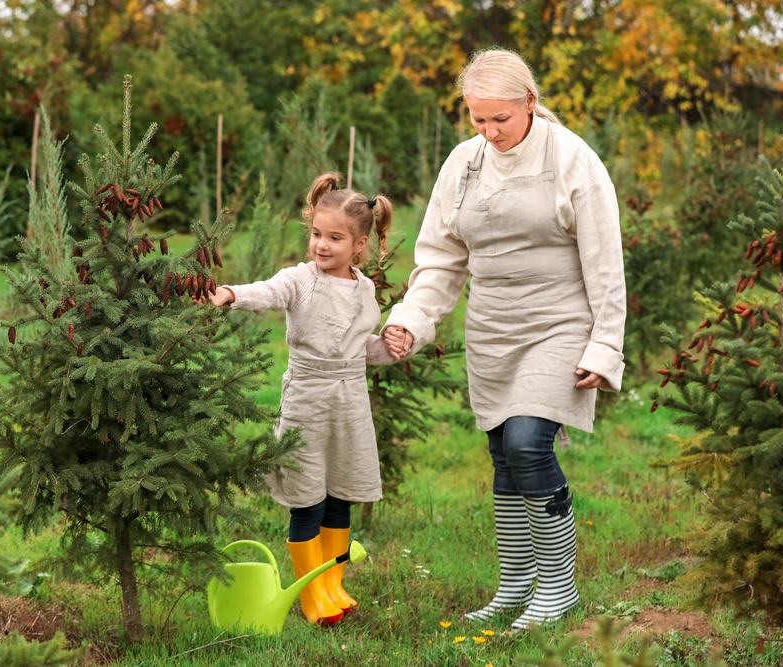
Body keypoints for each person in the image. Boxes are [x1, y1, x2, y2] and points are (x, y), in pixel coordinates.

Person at [382, 48, 626, 631]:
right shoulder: (464, 165)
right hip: (493, 327)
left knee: (526, 443)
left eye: (501, 120)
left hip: (561, 322)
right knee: (502, 456)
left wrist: (605, 344)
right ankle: (516, 583)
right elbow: (441, 258)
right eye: (477, 120)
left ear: (530, 105)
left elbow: (604, 261)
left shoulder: (572, 159)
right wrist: (411, 319)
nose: (489, 133)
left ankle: (558, 589)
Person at [203, 173, 397, 626]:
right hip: (308, 401)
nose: (321, 246)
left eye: (334, 238)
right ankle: (311, 594)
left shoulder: (364, 288)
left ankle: (333, 584)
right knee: (307, 498)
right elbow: (267, 291)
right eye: (316, 235)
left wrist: (390, 346)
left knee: (340, 496)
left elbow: (358, 345)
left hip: (349, 403)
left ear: (360, 244)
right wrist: (230, 293)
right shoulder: (302, 280)